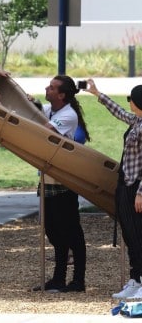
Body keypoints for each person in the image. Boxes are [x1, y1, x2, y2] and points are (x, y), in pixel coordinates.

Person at [85, 79, 142, 299]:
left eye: (131, 99)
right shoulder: (136, 121)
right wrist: (97, 94)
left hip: (136, 187)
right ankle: (135, 279)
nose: (128, 103)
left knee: (138, 235)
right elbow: (118, 112)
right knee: (129, 234)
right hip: (125, 185)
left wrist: (140, 193)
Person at [31, 75, 88, 293]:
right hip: (48, 178)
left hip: (64, 181)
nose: (47, 88)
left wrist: (33, 111)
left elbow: (46, 131)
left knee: (71, 230)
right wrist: (32, 104)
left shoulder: (68, 116)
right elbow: (38, 113)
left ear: (62, 95)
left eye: (52, 88)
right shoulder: (51, 110)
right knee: (53, 231)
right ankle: (58, 279)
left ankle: (78, 280)